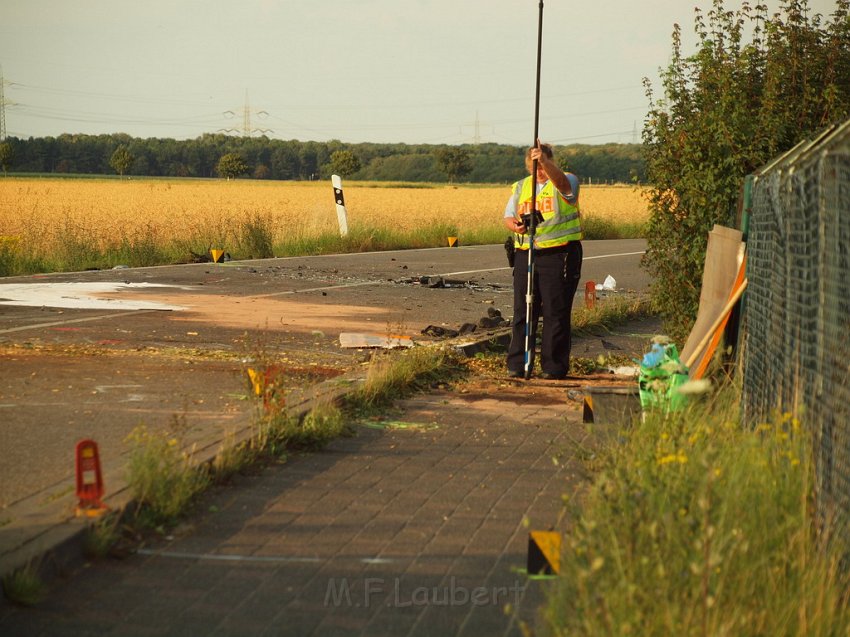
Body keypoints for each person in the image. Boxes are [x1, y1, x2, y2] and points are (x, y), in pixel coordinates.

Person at [503, 141, 583, 379]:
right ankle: (518, 363)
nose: (537, 170)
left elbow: (565, 189)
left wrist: (546, 164)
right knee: (523, 309)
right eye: (534, 165)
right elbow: (508, 215)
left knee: (555, 311)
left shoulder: (565, 179)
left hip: (558, 254)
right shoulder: (520, 187)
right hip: (525, 252)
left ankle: (554, 366)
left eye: (541, 164)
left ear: (550, 161)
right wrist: (515, 226)